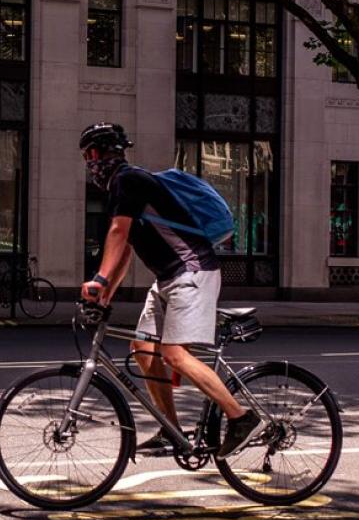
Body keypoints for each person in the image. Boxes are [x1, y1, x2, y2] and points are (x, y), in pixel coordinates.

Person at [78, 122, 259, 459]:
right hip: (169, 278)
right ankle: (171, 430)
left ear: (104, 152)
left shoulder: (127, 179)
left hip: (193, 272)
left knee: (174, 354)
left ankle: (241, 418)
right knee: (144, 348)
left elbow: (117, 233)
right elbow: (127, 249)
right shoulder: (123, 186)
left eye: (90, 154)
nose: (89, 163)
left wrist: (99, 280)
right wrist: (105, 297)